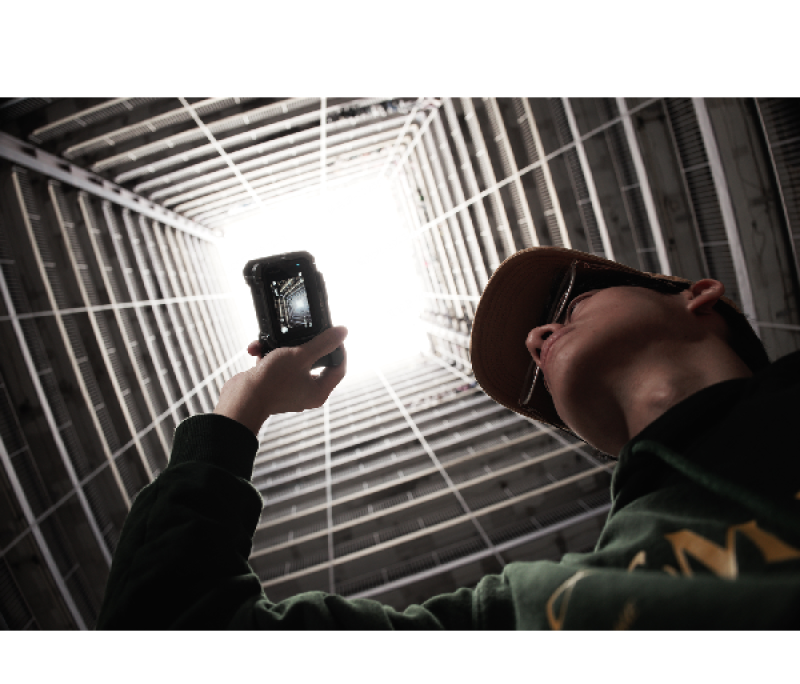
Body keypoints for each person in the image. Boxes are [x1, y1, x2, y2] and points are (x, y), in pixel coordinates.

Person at [96, 247, 800, 629]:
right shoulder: (530, 612)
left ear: (698, 296)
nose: (537, 338)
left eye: (569, 300)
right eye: (537, 382)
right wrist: (237, 413)